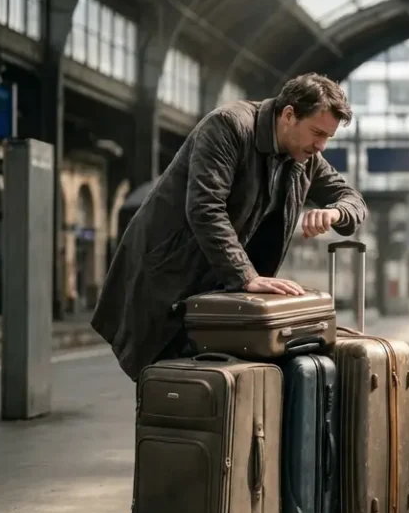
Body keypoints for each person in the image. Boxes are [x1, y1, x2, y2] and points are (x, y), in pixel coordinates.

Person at [92, 72, 368, 382]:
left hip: (220, 293)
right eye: (317, 132)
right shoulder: (228, 126)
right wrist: (245, 275)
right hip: (171, 282)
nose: (321, 146)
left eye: (328, 137)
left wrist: (335, 213)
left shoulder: (305, 157)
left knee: (225, 395)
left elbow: (353, 199)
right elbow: (205, 208)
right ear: (289, 114)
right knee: (176, 392)